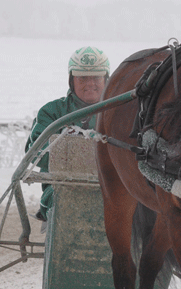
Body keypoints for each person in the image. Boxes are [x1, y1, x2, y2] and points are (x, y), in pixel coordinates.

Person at [25, 46, 110, 222]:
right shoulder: (52, 112)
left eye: (96, 77)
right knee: (70, 202)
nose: (90, 84)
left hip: (111, 186)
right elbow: (36, 152)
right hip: (60, 187)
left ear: (106, 79)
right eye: (82, 78)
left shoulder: (120, 112)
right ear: (71, 79)